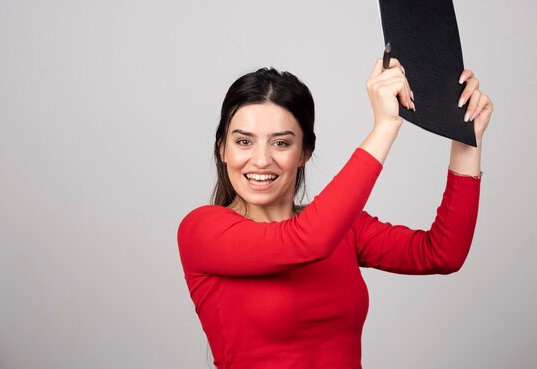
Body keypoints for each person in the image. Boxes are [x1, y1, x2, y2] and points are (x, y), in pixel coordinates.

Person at [177, 57, 493, 368]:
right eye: (244, 141)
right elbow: (306, 241)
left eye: (281, 143)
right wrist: (384, 127)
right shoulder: (202, 230)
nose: (261, 160)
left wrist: (467, 138)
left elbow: (441, 252)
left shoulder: (340, 226)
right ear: (222, 149)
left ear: (304, 153)